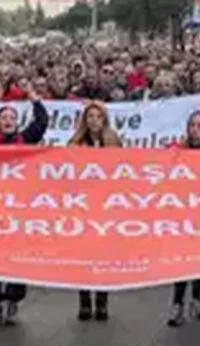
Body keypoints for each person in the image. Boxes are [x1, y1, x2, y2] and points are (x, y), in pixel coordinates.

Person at [0, 97, 49, 326]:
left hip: (19, 208)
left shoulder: (25, 140)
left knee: (16, 257)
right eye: (4, 117)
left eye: (12, 118)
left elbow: (41, 122)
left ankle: (13, 300)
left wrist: (35, 99)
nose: (8, 121)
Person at [69, 102, 119, 322]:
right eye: (90, 116)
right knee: (83, 256)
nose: (94, 120)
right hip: (82, 206)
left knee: (103, 257)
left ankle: (102, 300)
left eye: (98, 116)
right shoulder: (75, 143)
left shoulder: (113, 142)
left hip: (105, 206)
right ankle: (84, 301)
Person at [169, 111, 200, 326]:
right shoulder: (177, 151)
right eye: (193, 125)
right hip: (182, 213)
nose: (196, 129)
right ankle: (177, 303)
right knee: (182, 261)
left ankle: (196, 298)